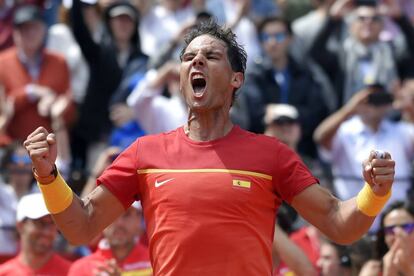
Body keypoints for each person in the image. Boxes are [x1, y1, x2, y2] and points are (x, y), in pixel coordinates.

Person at [24, 20, 396, 275]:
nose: (196, 61)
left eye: (211, 56)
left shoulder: (271, 154)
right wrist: (47, 175)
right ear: (183, 80)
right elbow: (81, 227)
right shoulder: (144, 152)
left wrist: (375, 193)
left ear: (237, 80)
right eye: (188, 58)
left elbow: (340, 224)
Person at [0, 4, 73, 141]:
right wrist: (31, 92)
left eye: (34, 27)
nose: (30, 33)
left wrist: (56, 105)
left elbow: (70, 110)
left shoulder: (59, 62)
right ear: (14, 32)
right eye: (24, 29)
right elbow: (4, 110)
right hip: (11, 147)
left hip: (49, 145)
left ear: (44, 29)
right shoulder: (2, 63)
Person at [68, 202, 152, 276]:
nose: (119, 223)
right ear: (101, 221)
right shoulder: (80, 269)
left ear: (139, 219)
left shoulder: (156, 262)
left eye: (127, 215)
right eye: (112, 215)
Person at [0, 193, 71, 275]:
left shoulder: (72, 272)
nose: (46, 232)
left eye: (52, 223)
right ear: (20, 226)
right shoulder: (4, 273)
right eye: (40, 223)